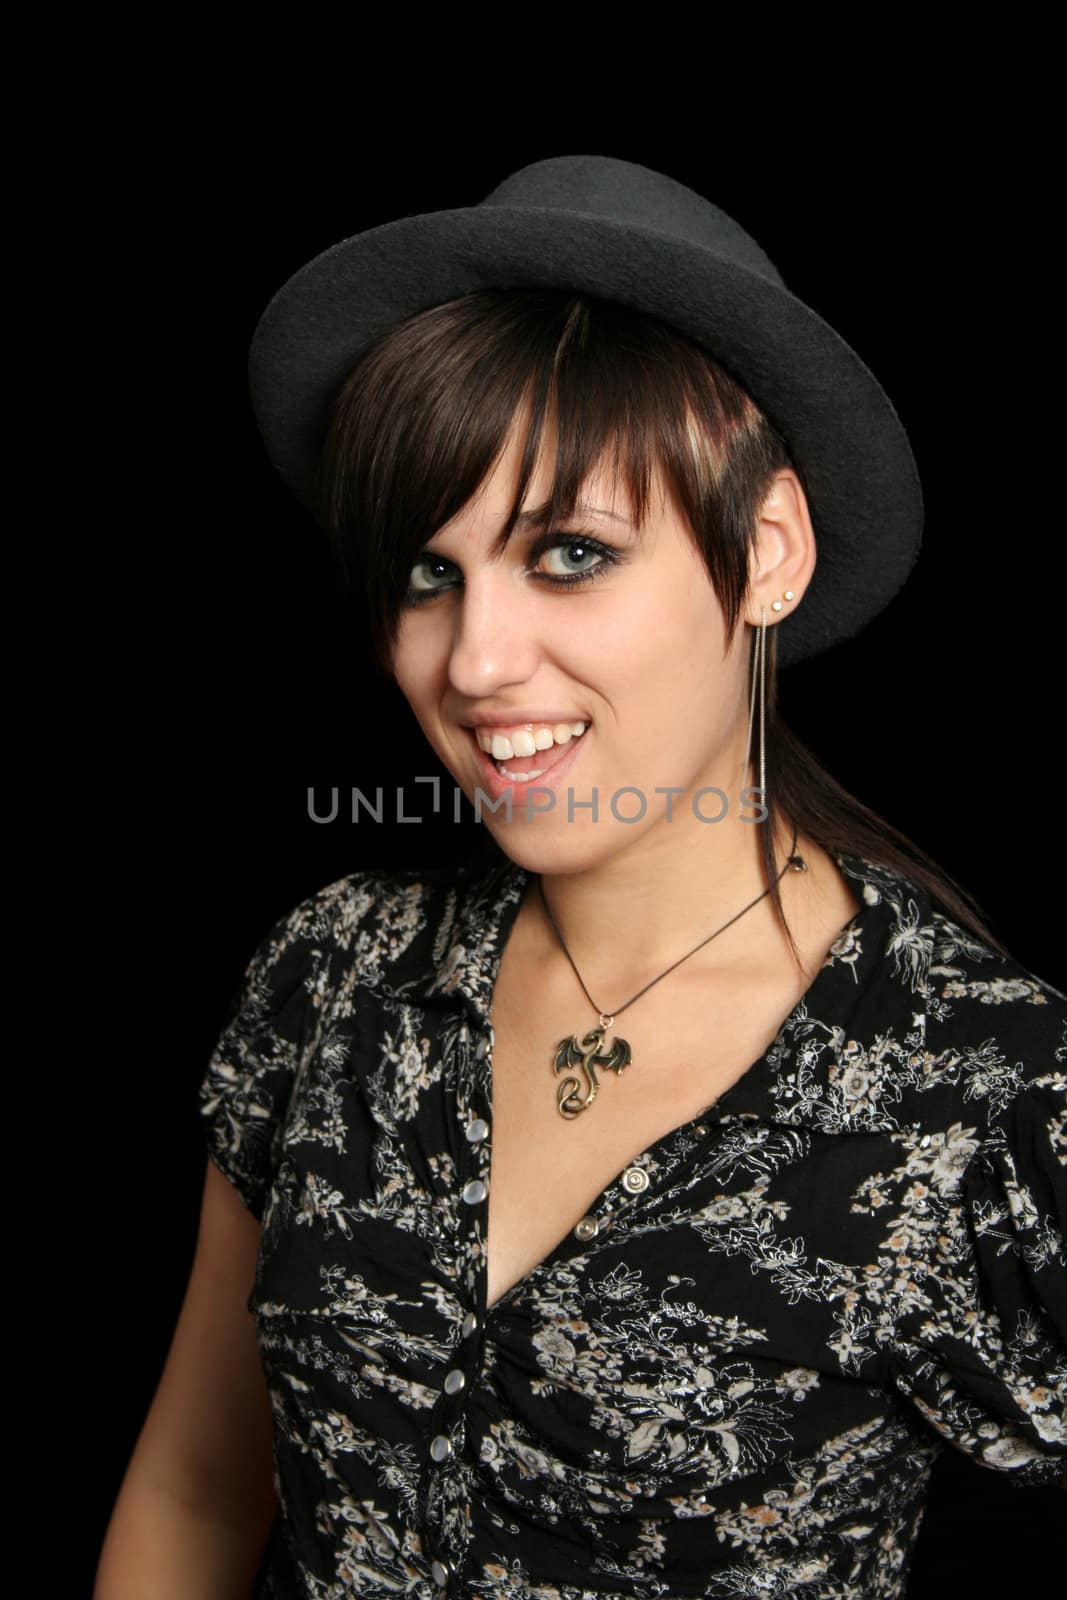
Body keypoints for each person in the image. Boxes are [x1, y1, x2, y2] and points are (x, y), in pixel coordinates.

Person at [95, 156, 1066, 1600]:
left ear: (769, 552)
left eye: (568, 552)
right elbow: (191, 1492)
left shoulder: (985, 1089)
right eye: (428, 573)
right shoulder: (337, 972)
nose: (473, 662)